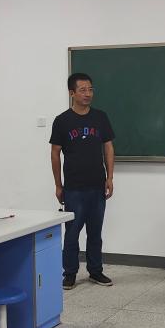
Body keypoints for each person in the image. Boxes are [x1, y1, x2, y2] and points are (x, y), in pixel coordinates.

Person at [50, 73, 115, 289]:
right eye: (83, 90)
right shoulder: (62, 121)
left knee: (95, 233)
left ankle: (96, 271)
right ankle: (69, 273)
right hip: (74, 188)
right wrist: (58, 184)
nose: (88, 94)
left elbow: (108, 147)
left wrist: (110, 177)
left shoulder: (100, 117)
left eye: (90, 89)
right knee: (72, 233)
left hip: (97, 185)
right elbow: (55, 153)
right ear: (72, 93)